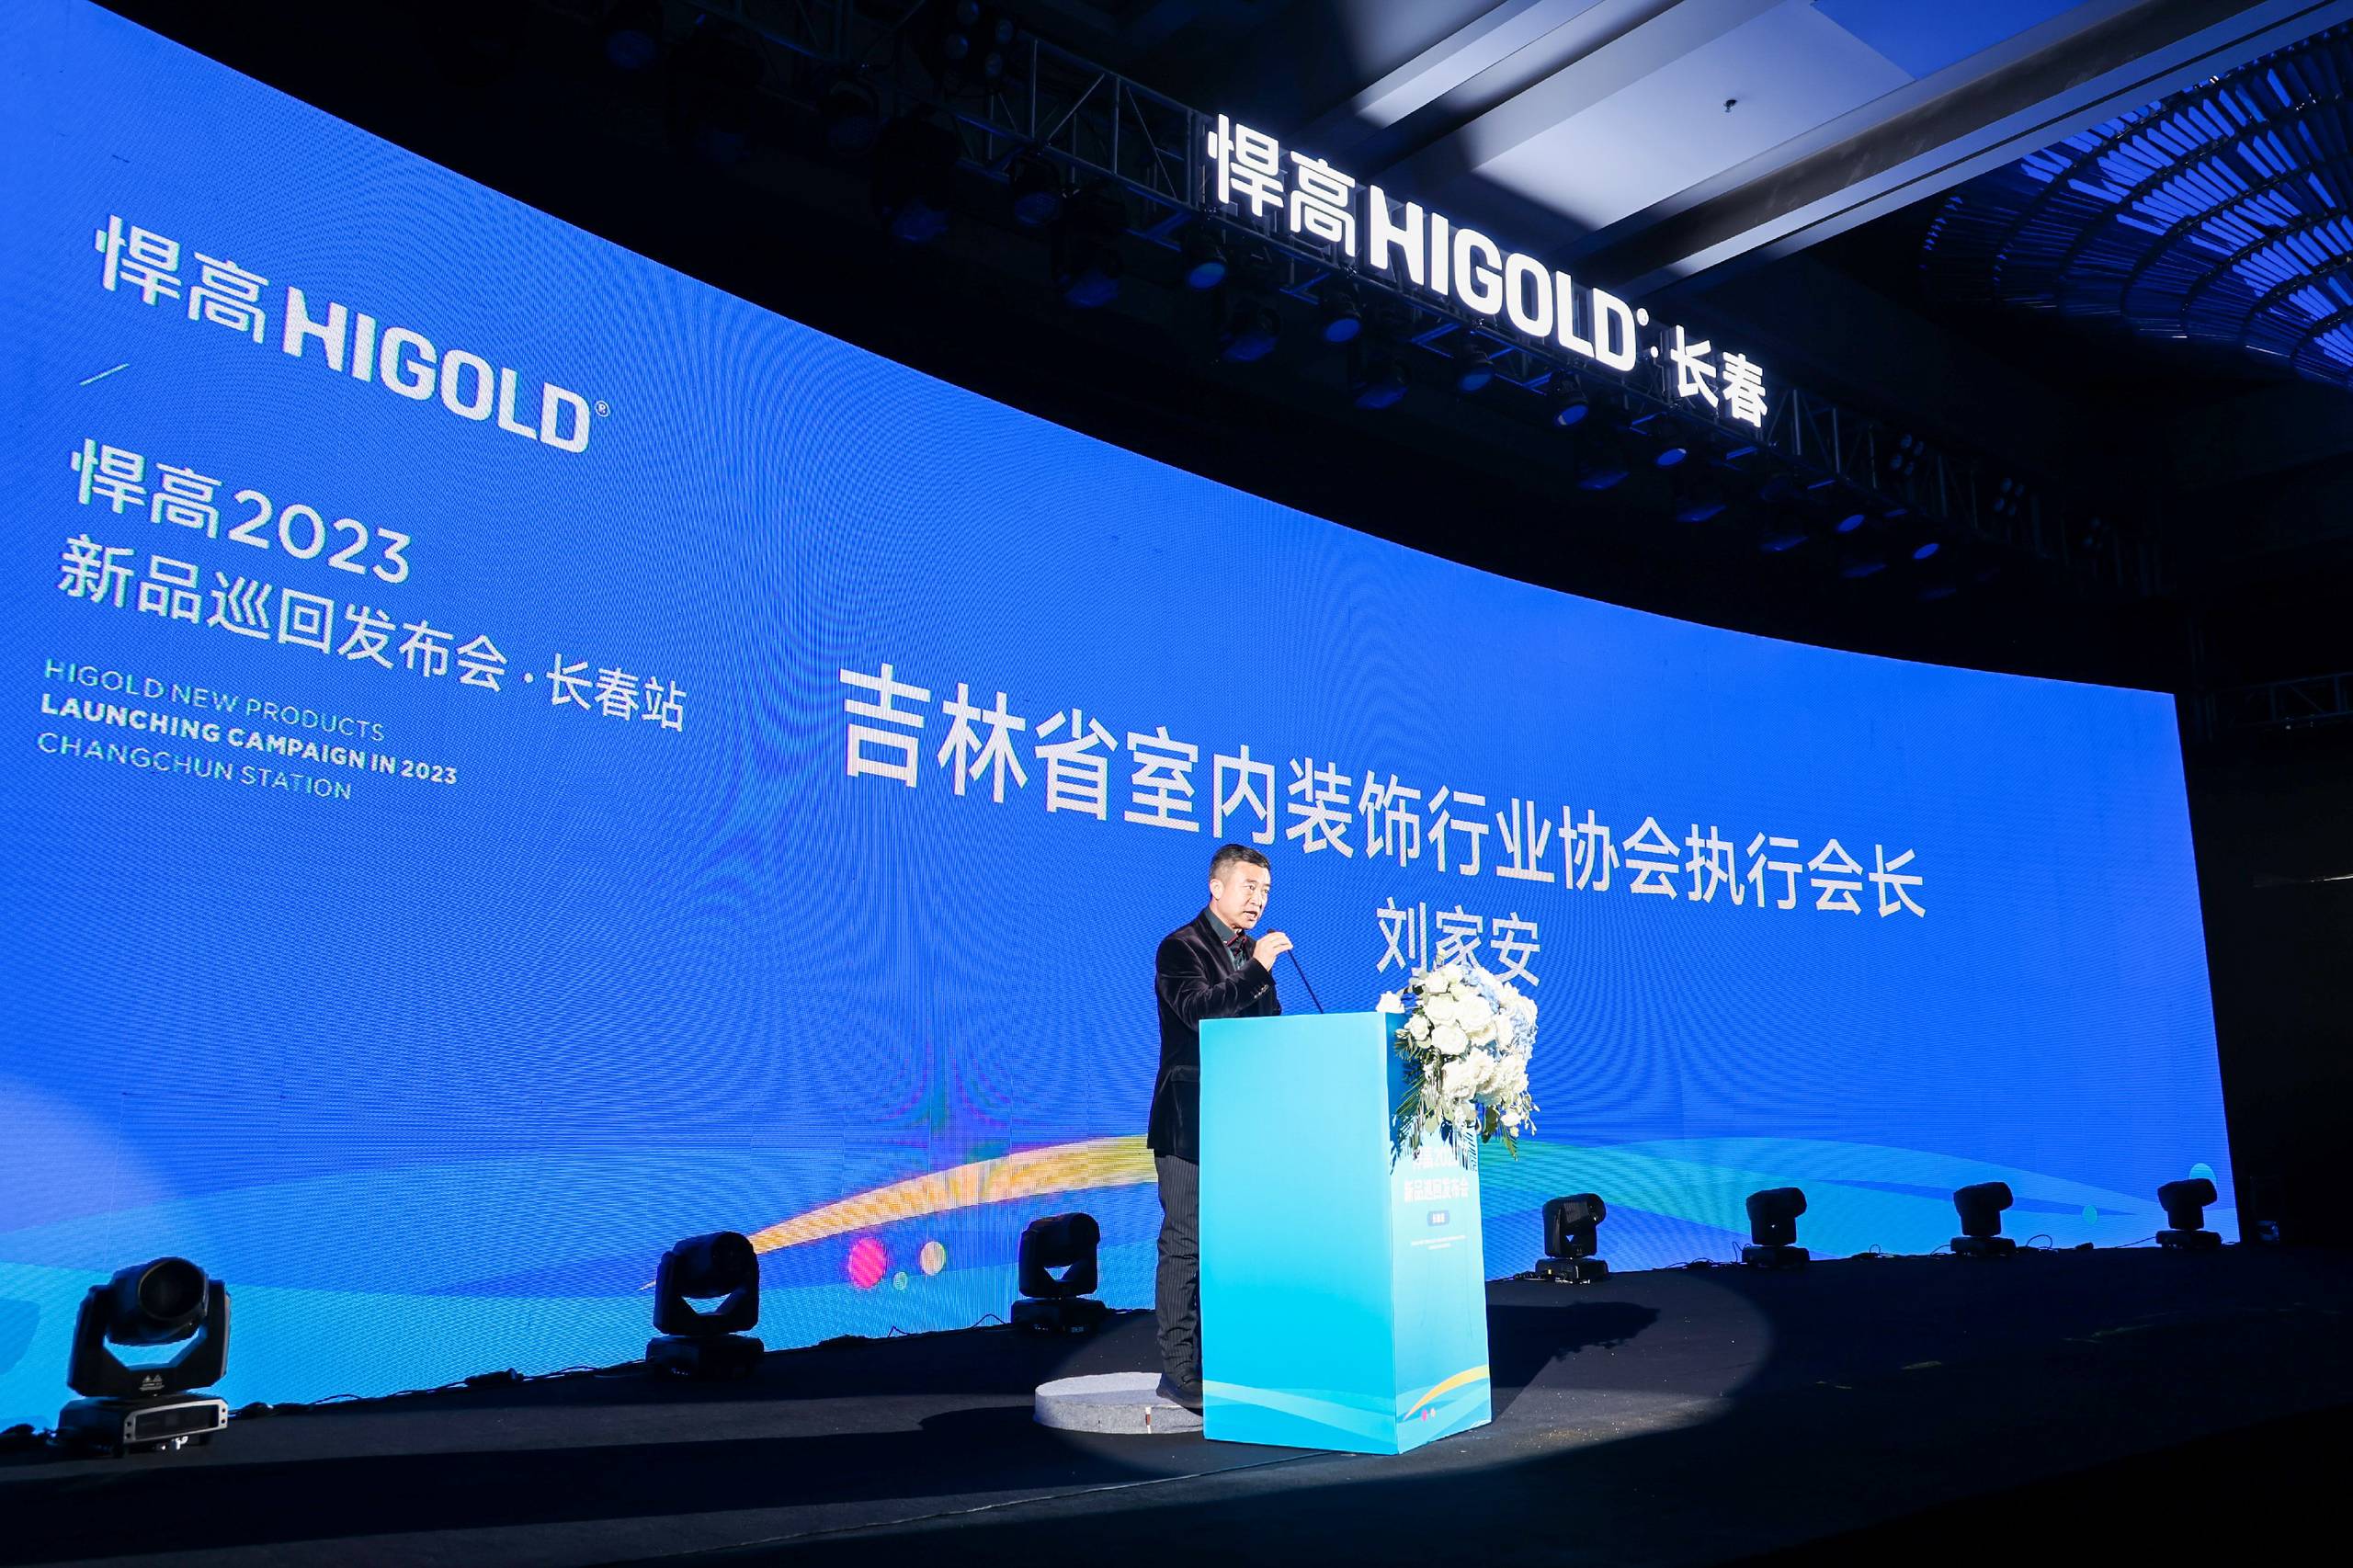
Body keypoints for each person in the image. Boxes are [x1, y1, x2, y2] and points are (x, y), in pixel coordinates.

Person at [1148, 842, 1290, 1411]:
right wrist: (1257, 970)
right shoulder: (1180, 947)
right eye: (1249, 887)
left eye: (1265, 891)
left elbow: (1269, 1030)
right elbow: (1201, 1013)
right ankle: (1180, 1369)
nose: (1258, 900)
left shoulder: (1253, 955)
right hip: (1189, 1120)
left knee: (1234, 1244)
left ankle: (1228, 1358)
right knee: (1186, 1242)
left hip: (1243, 1123)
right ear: (1217, 887)